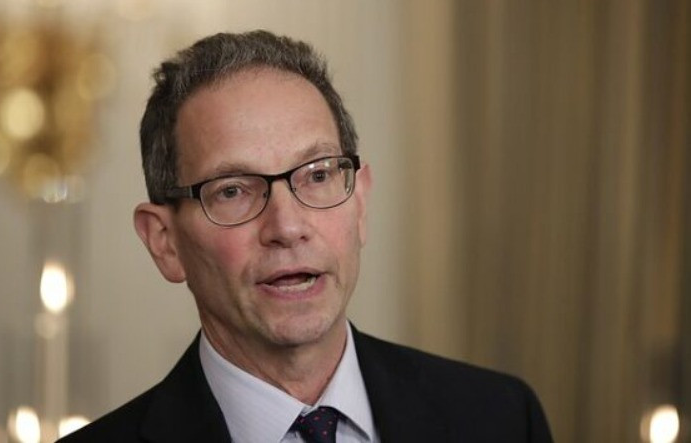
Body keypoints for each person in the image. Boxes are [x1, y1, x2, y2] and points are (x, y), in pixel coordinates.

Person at [60, 30, 552, 442]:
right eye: (232, 190)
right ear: (165, 242)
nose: (288, 227)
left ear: (360, 203)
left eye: (317, 175)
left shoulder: (502, 418)